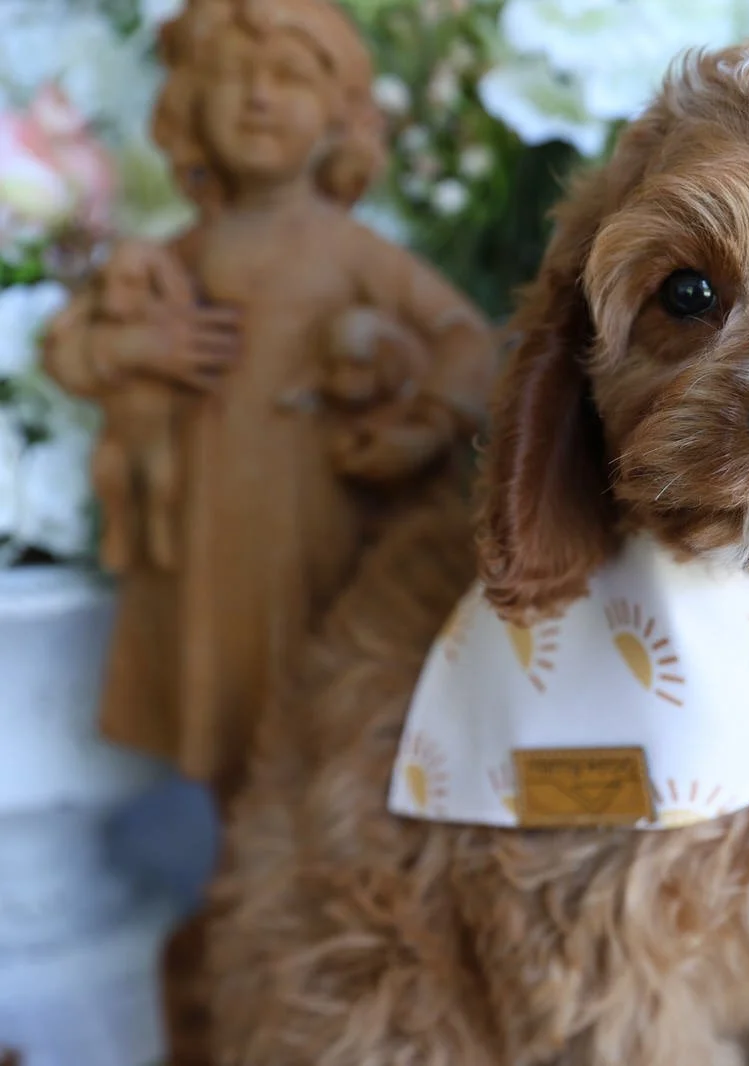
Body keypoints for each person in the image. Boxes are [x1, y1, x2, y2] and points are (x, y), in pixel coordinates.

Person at [41, 1, 497, 1060]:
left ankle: (310, 931)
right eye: (231, 78)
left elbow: (467, 343)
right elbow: (72, 348)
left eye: (289, 78)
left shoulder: (350, 254)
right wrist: (134, 352)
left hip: (324, 551)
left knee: (320, 740)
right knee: (226, 745)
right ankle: (236, 929)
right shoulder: (176, 256)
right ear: (185, 109)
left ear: (340, 117)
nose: (256, 99)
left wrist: (421, 419)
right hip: (206, 566)